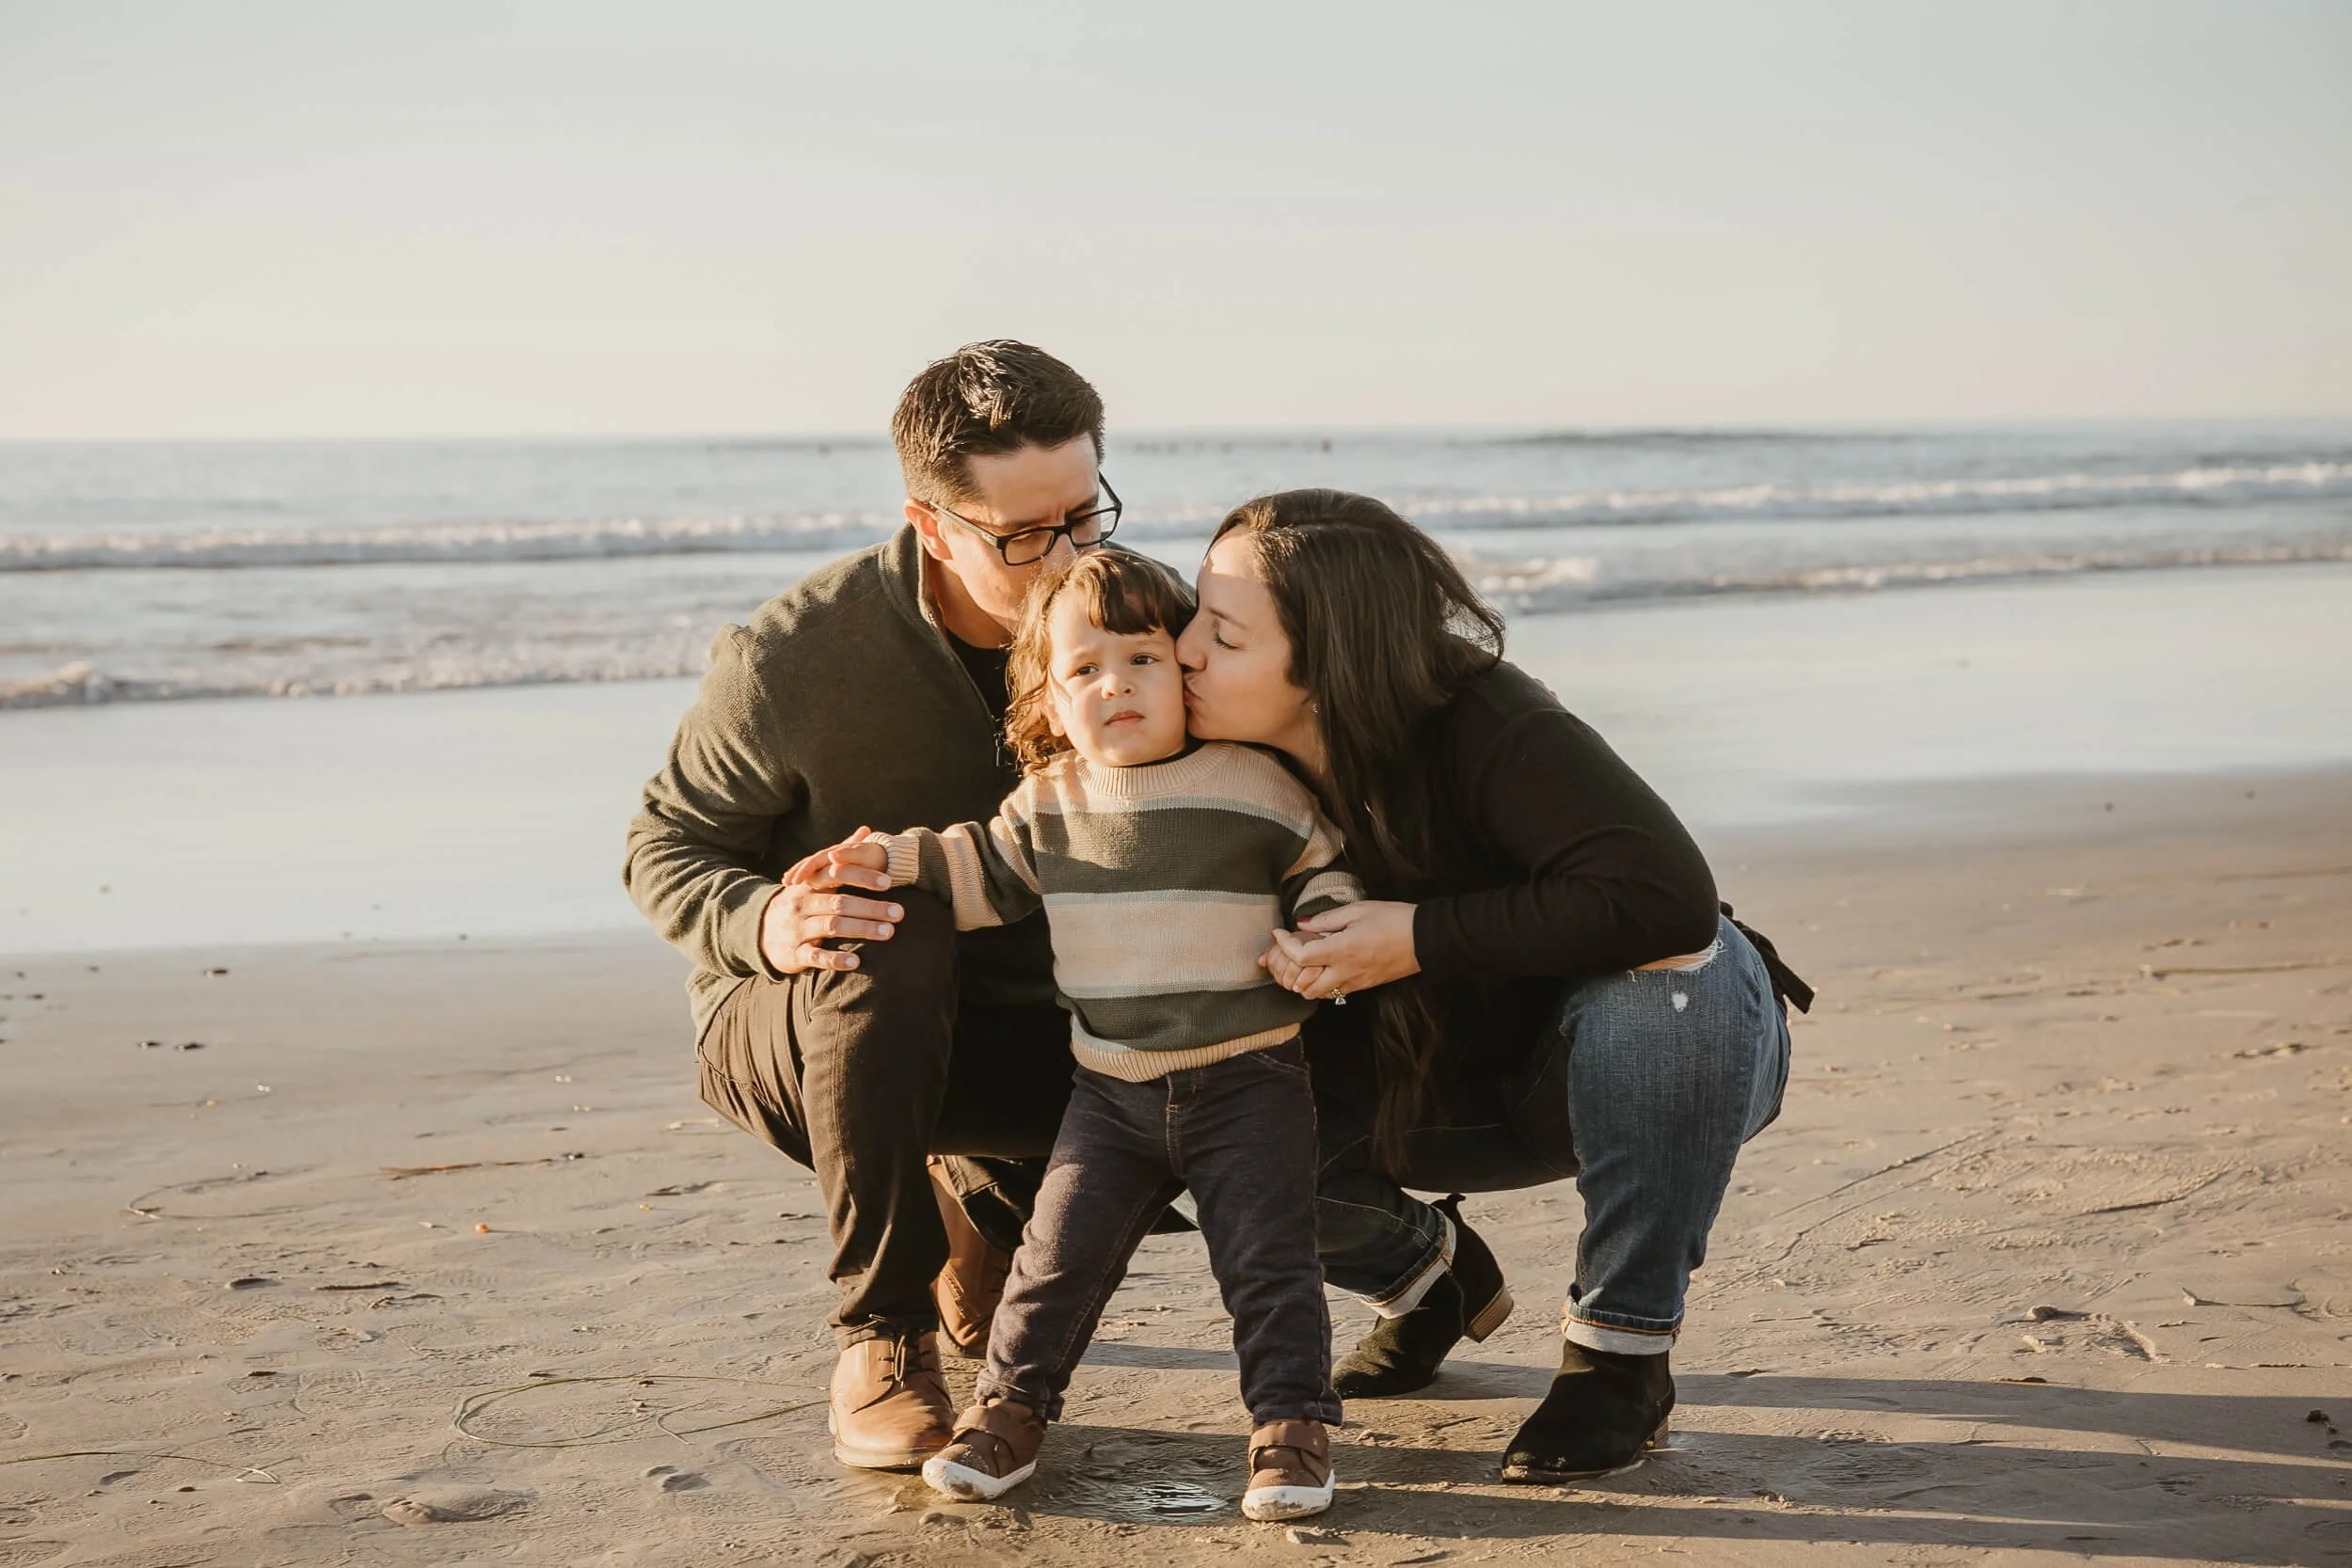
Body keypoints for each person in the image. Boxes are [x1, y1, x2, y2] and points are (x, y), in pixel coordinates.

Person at [1174, 489, 1810, 1482]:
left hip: (1632, 1062)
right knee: (1187, 1091)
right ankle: (1425, 1277)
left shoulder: (1485, 719)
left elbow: (1668, 899)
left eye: (1222, 634)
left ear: (1332, 660)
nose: (1183, 651)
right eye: (1192, 617)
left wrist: (1415, 936)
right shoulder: (1192, 750)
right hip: (1432, 1090)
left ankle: (1620, 1356)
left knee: (1682, 973)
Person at [623, 341, 1120, 1471]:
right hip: (812, 1018)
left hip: (1042, 1023)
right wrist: (766, 922)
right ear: (931, 525)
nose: (1067, 559)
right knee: (885, 911)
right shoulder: (793, 658)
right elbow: (667, 843)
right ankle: (882, 1334)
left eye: (1085, 516)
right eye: (1024, 535)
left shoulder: (1132, 620)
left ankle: (981, 1200)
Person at [811, 548, 1354, 1520]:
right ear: (1051, 702)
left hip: (1251, 1080)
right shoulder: (1048, 803)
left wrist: (1327, 929)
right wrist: (883, 859)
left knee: (1269, 1263)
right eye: (1085, 668)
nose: (1117, 685)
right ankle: (1008, 1412)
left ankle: (1290, 1428)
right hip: (1109, 1093)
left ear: (1186, 670)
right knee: (1051, 1261)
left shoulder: (1253, 782)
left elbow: (1321, 868)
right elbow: (973, 870)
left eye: (1143, 658)